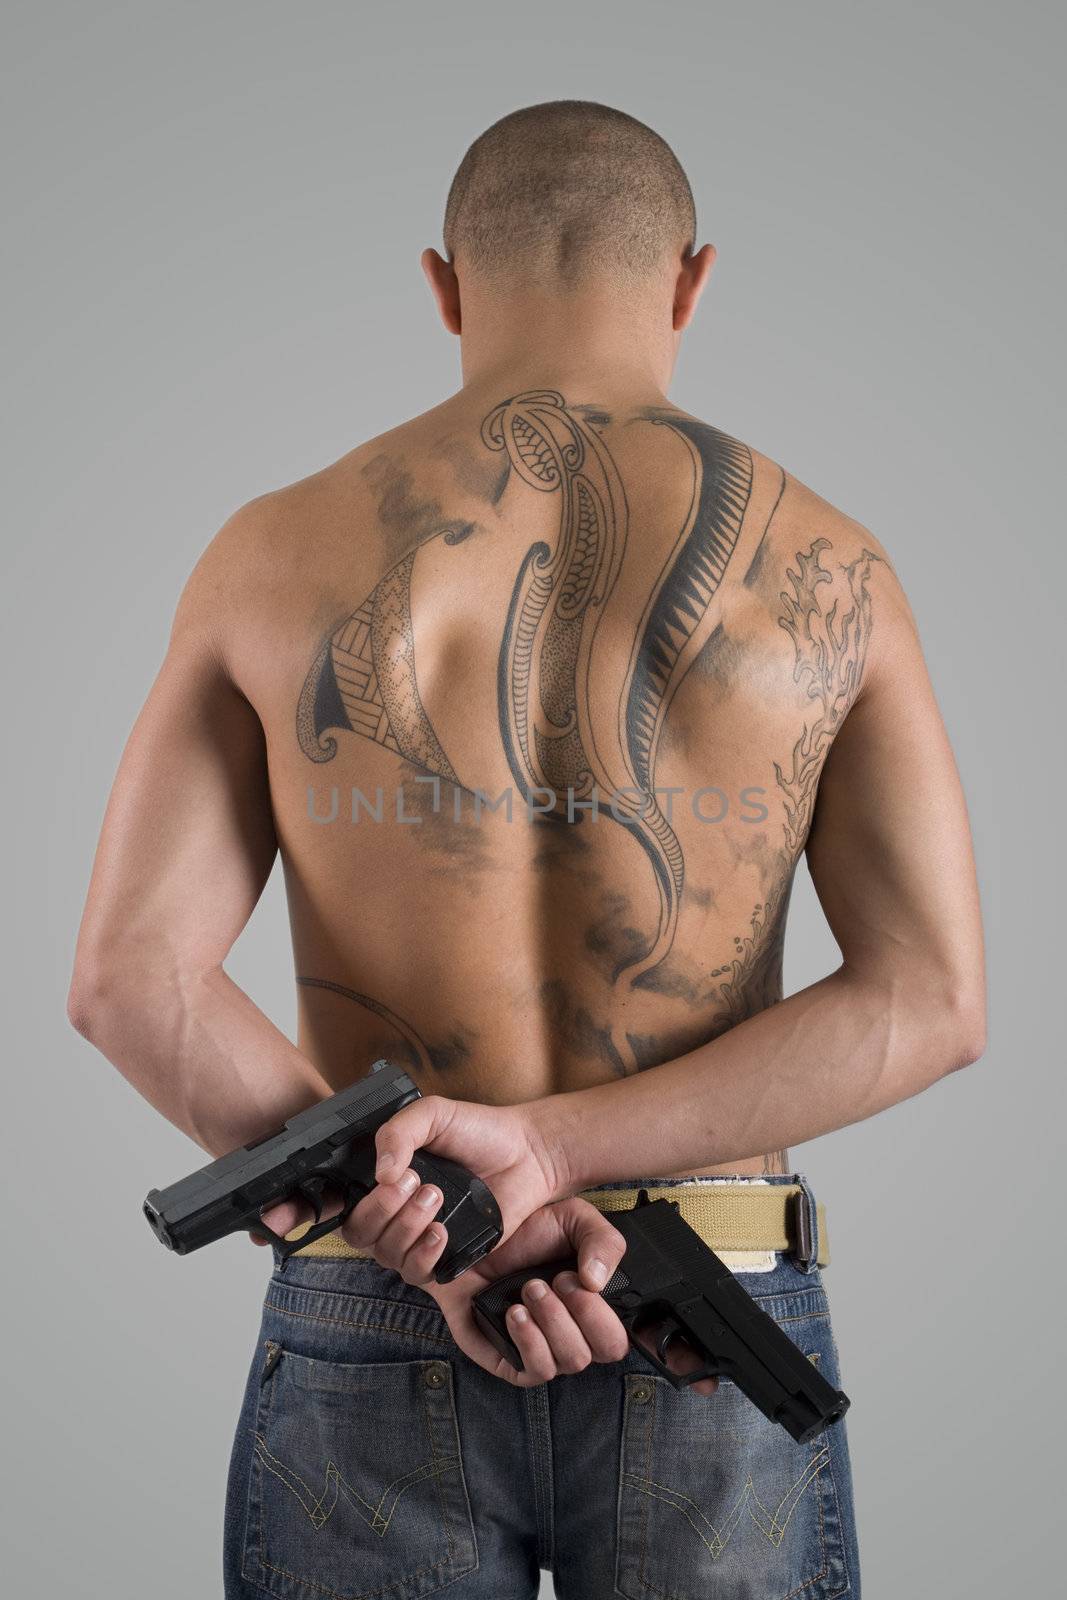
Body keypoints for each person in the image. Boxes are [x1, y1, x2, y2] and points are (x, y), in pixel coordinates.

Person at [68, 100, 984, 1599]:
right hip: (710, 1308)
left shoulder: (273, 550)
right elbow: (931, 1002)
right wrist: (560, 1154)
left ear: (444, 285)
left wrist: (442, 1227)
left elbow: (127, 983)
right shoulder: (836, 571)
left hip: (382, 1297)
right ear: (690, 280)